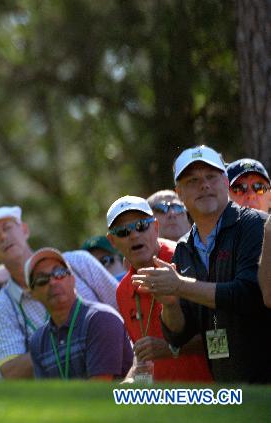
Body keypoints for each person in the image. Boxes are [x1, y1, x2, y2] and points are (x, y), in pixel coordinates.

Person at [133, 145, 271, 383]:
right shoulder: (185, 248)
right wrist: (171, 305)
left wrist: (180, 286)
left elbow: (250, 294)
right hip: (227, 384)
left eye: (211, 177)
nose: (204, 185)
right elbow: (178, 335)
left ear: (225, 182)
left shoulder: (255, 225)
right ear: (180, 193)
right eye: (193, 180)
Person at [0, 206, 119, 379]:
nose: (3, 236)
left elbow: (125, 308)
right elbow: (11, 371)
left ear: (24, 230)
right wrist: (65, 344)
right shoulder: (0, 308)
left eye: (7, 228)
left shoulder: (79, 262)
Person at [104, 196, 212, 382]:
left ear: (155, 227)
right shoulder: (122, 291)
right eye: (123, 231)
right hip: (162, 404)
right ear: (112, 241)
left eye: (141, 226)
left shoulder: (189, 262)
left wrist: (172, 349)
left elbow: (222, 338)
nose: (134, 235)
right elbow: (145, 353)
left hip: (207, 394)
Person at [26, 249, 132, 380]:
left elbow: (99, 391)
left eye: (59, 273)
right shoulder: (37, 341)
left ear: (72, 279)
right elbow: (46, 398)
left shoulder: (101, 319)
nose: (53, 282)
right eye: (42, 279)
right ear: (32, 295)